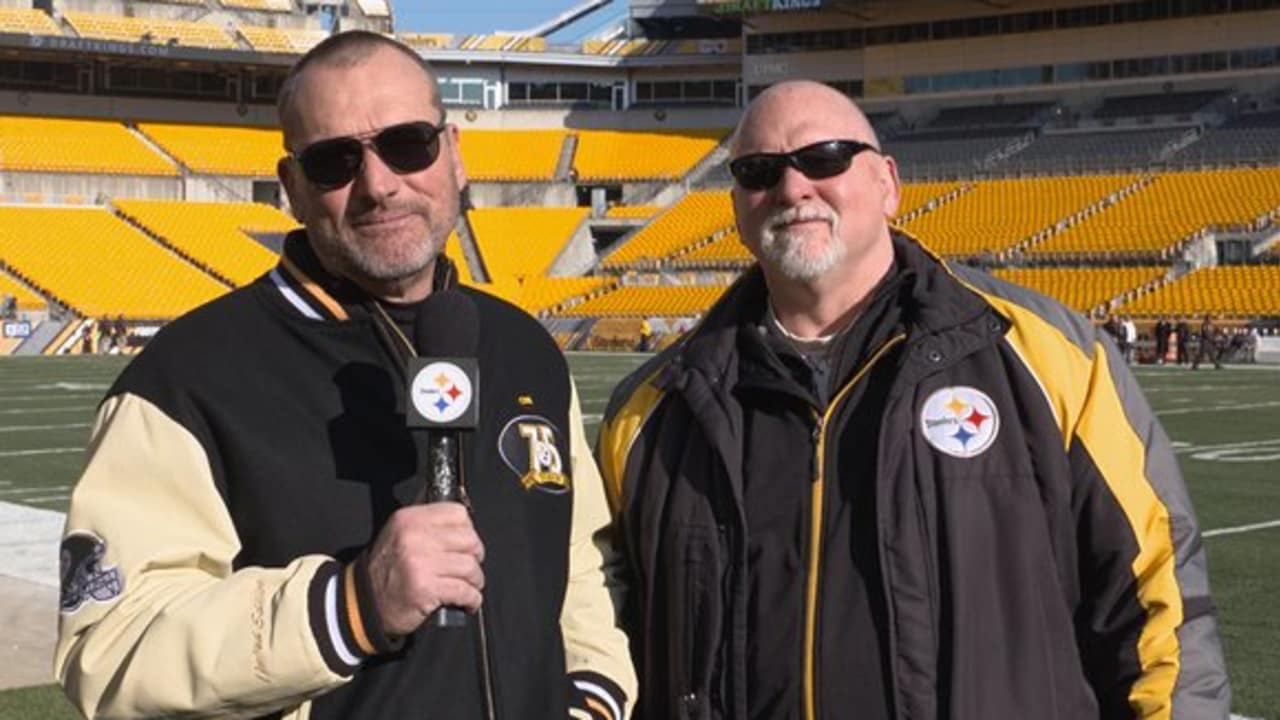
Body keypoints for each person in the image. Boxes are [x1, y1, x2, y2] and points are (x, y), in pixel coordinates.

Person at [596, 80, 1229, 720]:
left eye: (826, 158)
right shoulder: (652, 410)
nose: (792, 189)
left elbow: (1157, 601)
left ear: (888, 183)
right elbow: (598, 637)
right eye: (758, 171)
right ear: (736, 204)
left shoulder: (1048, 357)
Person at [56, 31, 634, 720]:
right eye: (334, 161)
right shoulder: (183, 381)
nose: (380, 184)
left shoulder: (525, 348)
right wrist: (347, 606)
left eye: (407, 143)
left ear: (454, 155)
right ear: (292, 189)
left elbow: (580, 568)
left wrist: (595, 697)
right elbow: (108, 653)